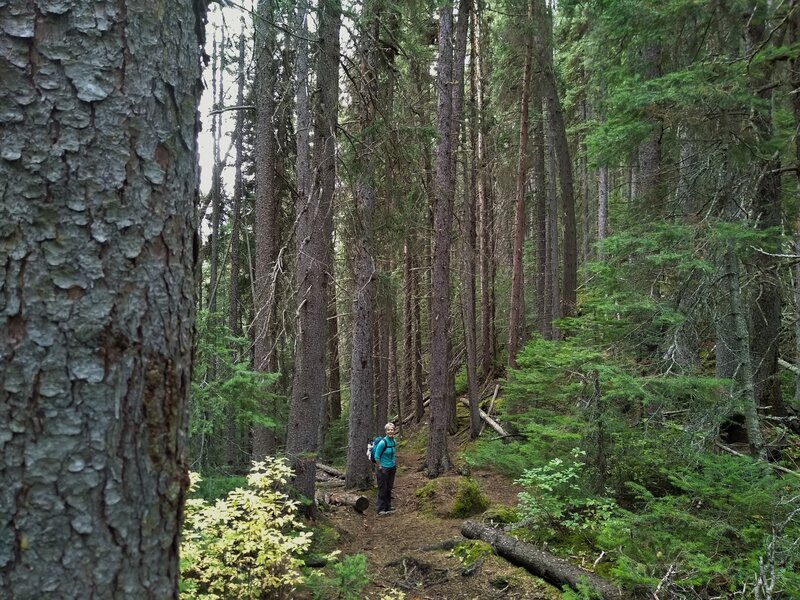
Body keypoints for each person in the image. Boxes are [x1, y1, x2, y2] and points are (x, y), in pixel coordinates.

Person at [375, 422, 397, 515]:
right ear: (386, 431)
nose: (390, 431)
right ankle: (381, 509)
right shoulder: (382, 442)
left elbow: (393, 453)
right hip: (383, 468)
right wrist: (380, 466)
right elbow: (376, 456)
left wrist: (394, 462)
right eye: (388, 430)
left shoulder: (394, 441)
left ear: (394, 431)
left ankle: (388, 506)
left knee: (389, 488)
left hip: (392, 467)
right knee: (382, 488)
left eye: (392, 429)